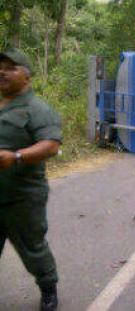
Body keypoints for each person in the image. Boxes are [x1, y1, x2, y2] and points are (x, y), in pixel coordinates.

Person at [0, 48, 61, 310]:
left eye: (10, 67)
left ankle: (48, 290)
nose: (2, 72)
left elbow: (51, 145)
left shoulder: (37, 108)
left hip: (23, 197)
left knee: (33, 248)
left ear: (26, 76)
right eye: (0, 67)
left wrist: (16, 157)